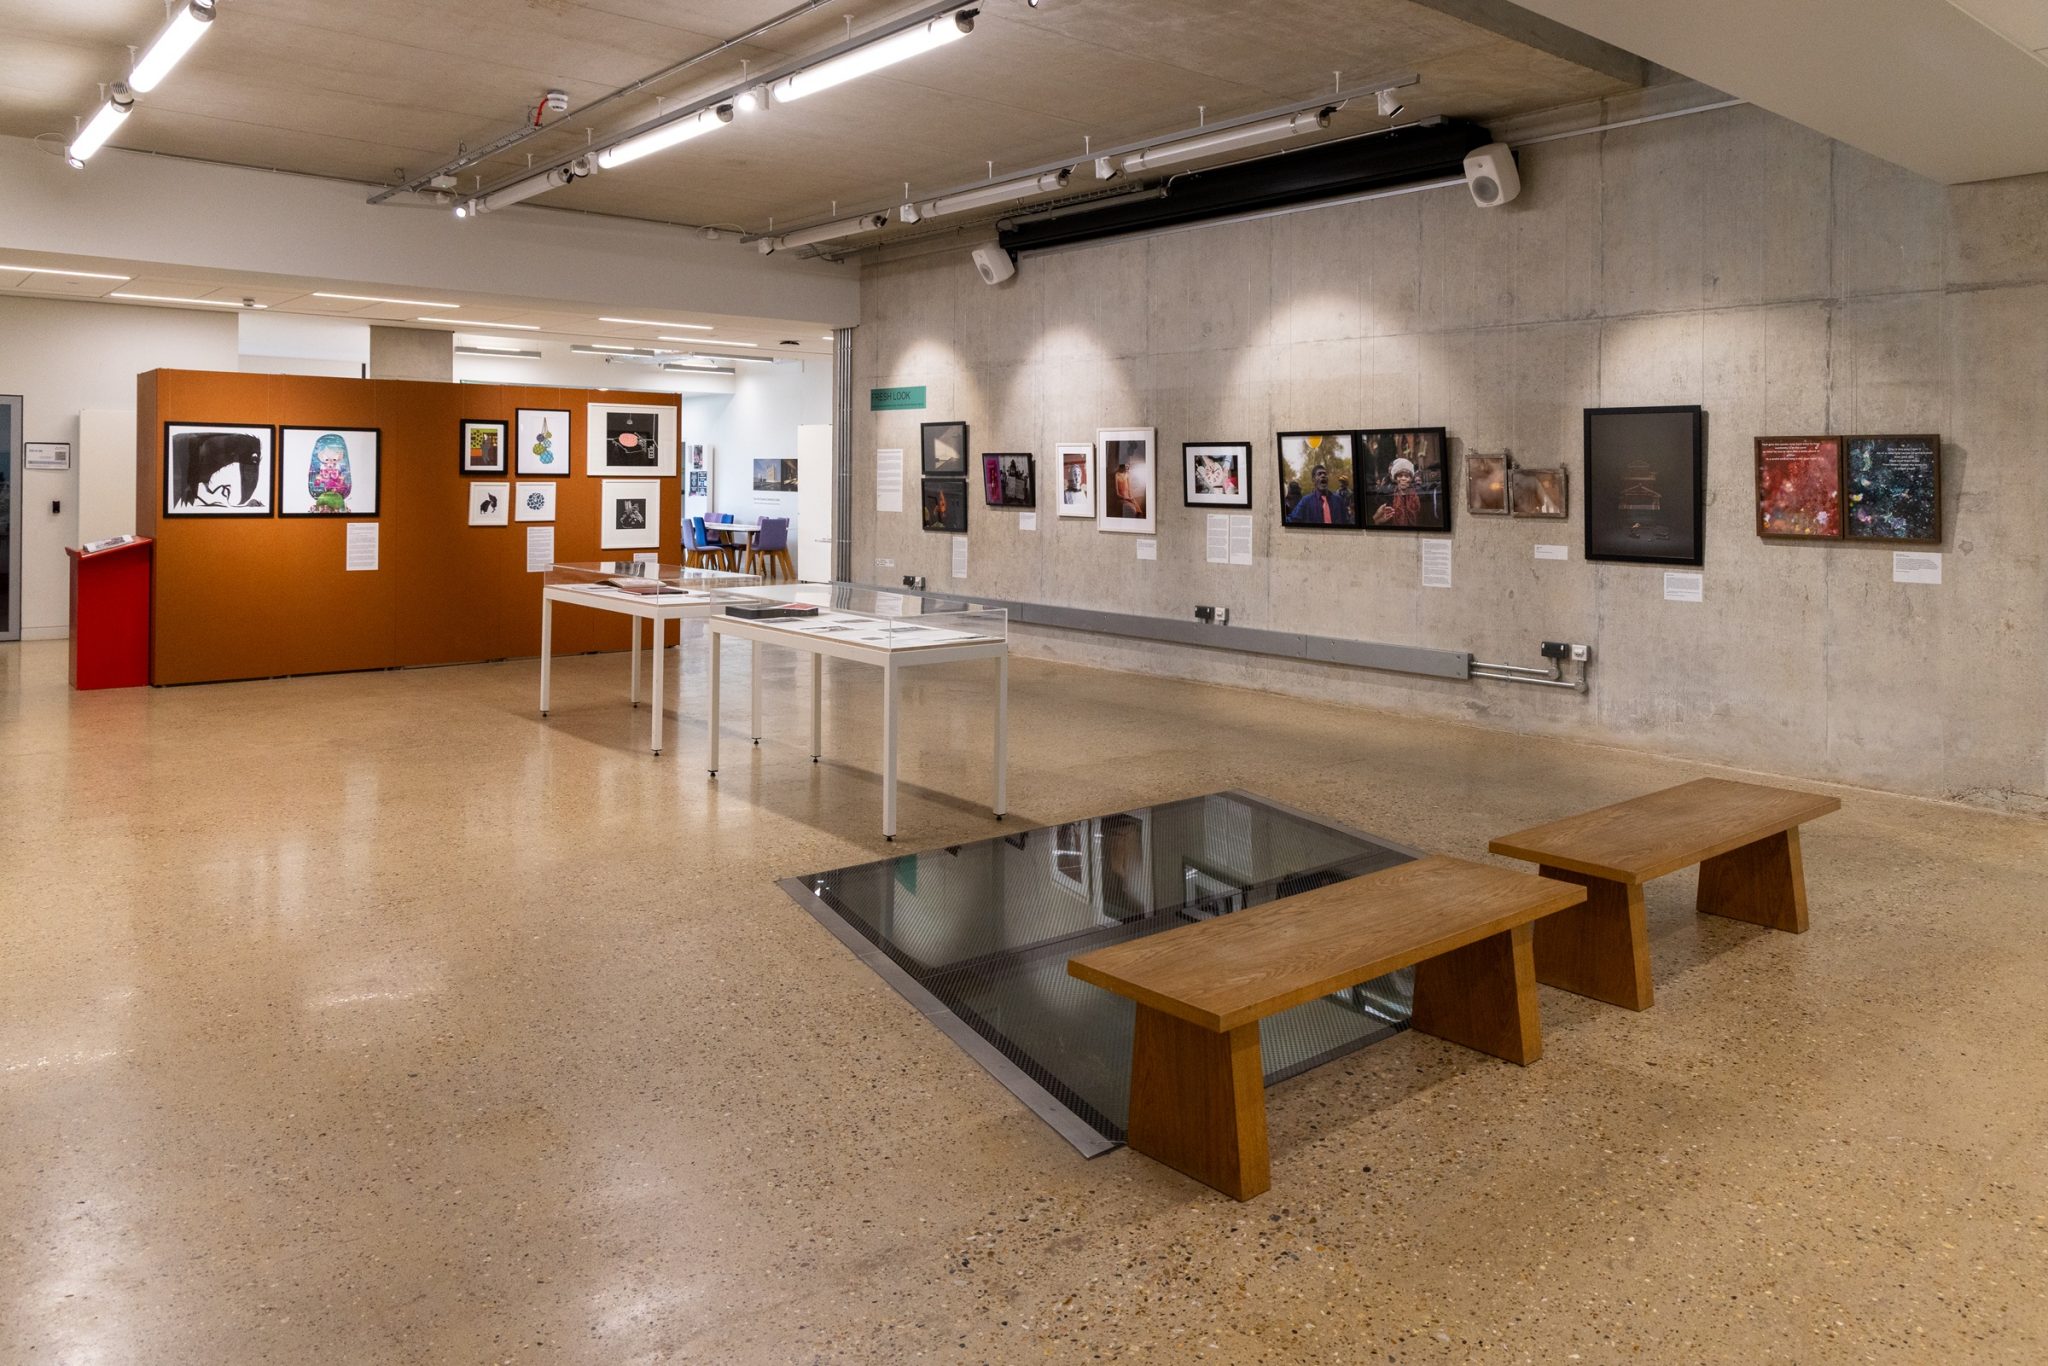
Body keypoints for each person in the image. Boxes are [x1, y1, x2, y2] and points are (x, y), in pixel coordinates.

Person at [1372, 457, 1421, 526]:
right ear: (1395, 478)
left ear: (1411, 479)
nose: (1403, 478)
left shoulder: (1418, 495)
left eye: (1407, 476)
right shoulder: (1386, 496)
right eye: (1400, 476)